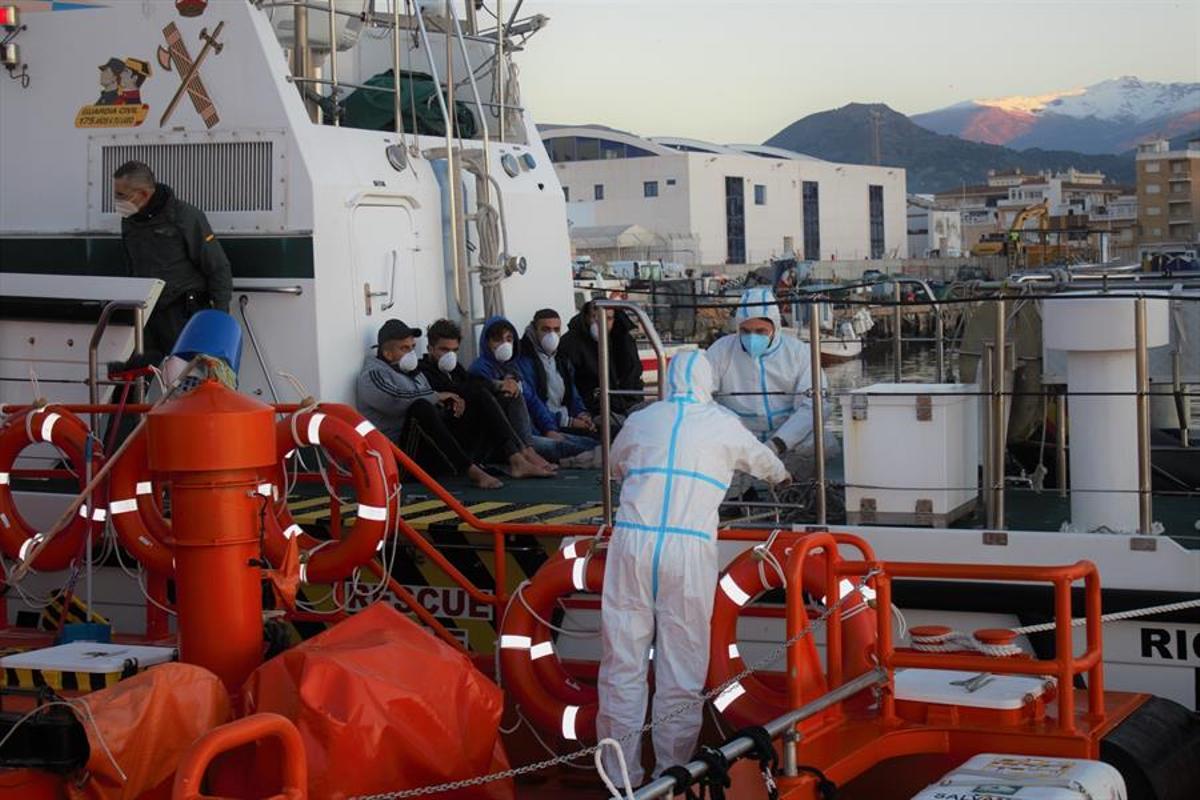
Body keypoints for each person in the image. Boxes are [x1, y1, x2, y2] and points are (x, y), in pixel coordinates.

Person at [596, 351, 789, 786]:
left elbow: (615, 465)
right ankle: (671, 776)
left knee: (622, 665)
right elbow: (767, 465)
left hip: (633, 541)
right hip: (688, 549)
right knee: (681, 666)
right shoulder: (722, 424)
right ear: (708, 383)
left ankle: (620, 780)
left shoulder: (643, 419)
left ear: (667, 380)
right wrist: (783, 477)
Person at [706, 287, 837, 490]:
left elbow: (814, 404)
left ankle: (794, 488)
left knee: (824, 442)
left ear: (775, 328)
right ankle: (740, 496)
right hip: (739, 437)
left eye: (760, 332)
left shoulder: (798, 353)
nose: (752, 337)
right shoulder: (721, 351)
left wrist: (778, 444)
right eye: (746, 331)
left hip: (784, 437)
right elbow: (703, 397)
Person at [356, 319, 502, 490]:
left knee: (476, 397)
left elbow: (431, 399)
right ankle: (471, 470)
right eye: (404, 348)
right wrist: (436, 396)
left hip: (424, 452)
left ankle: (511, 455)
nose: (411, 353)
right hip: (397, 460)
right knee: (421, 408)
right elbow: (395, 400)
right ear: (387, 353)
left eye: (412, 347)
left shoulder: (413, 373)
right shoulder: (373, 374)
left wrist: (449, 403)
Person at [114, 160, 232, 361]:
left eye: (121, 195)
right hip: (145, 314)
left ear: (142, 194)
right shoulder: (130, 220)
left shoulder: (185, 217)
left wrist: (219, 318)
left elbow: (218, 268)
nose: (116, 200)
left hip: (182, 314)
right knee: (137, 379)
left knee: (185, 378)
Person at [417, 318, 555, 477]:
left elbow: (473, 382)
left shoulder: (455, 370)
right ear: (430, 348)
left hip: (476, 435)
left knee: (509, 394)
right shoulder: (424, 371)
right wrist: (494, 386)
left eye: (454, 350)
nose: (450, 355)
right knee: (480, 394)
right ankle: (517, 457)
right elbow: (461, 389)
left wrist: (502, 385)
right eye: (444, 350)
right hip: (449, 437)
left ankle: (525, 451)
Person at [468, 316, 595, 463]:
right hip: (512, 441)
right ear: (486, 342)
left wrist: (550, 429)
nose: (505, 344)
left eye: (509, 339)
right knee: (562, 448)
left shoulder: (513, 368)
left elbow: (534, 402)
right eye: (498, 339)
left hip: (533, 431)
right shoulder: (480, 369)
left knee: (590, 442)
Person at [514, 309, 596, 439]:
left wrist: (582, 414)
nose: (552, 335)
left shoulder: (562, 358)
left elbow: (573, 395)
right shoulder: (523, 360)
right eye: (545, 329)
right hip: (545, 428)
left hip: (568, 422)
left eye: (556, 329)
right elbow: (533, 405)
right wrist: (569, 422)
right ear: (534, 331)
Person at [559, 301, 644, 418]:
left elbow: (634, 374)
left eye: (608, 318)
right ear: (586, 318)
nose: (601, 322)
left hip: (627, 404)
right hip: (591, 410)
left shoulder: (624, 341)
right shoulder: (571, 343)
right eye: (596, 317)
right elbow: (569, 385)